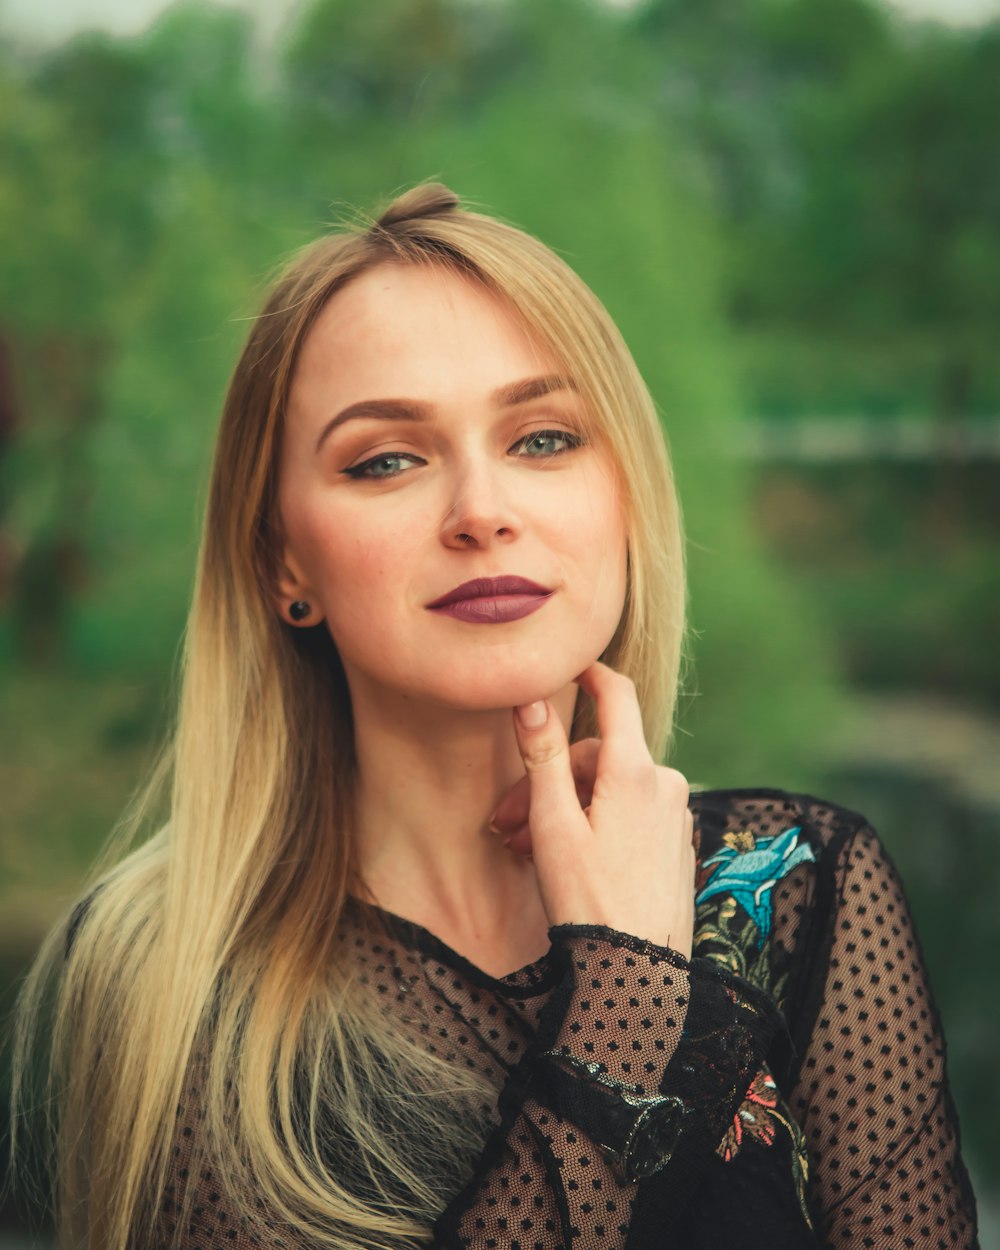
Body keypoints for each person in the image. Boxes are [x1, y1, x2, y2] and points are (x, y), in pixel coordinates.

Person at [12, 183, 979, 1250]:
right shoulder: (160, 978)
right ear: (282, 558)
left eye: (545, 437)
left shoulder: (800, 883)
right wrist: (624, 978)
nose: (481, 511)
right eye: (387, 459)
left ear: (625, 496)